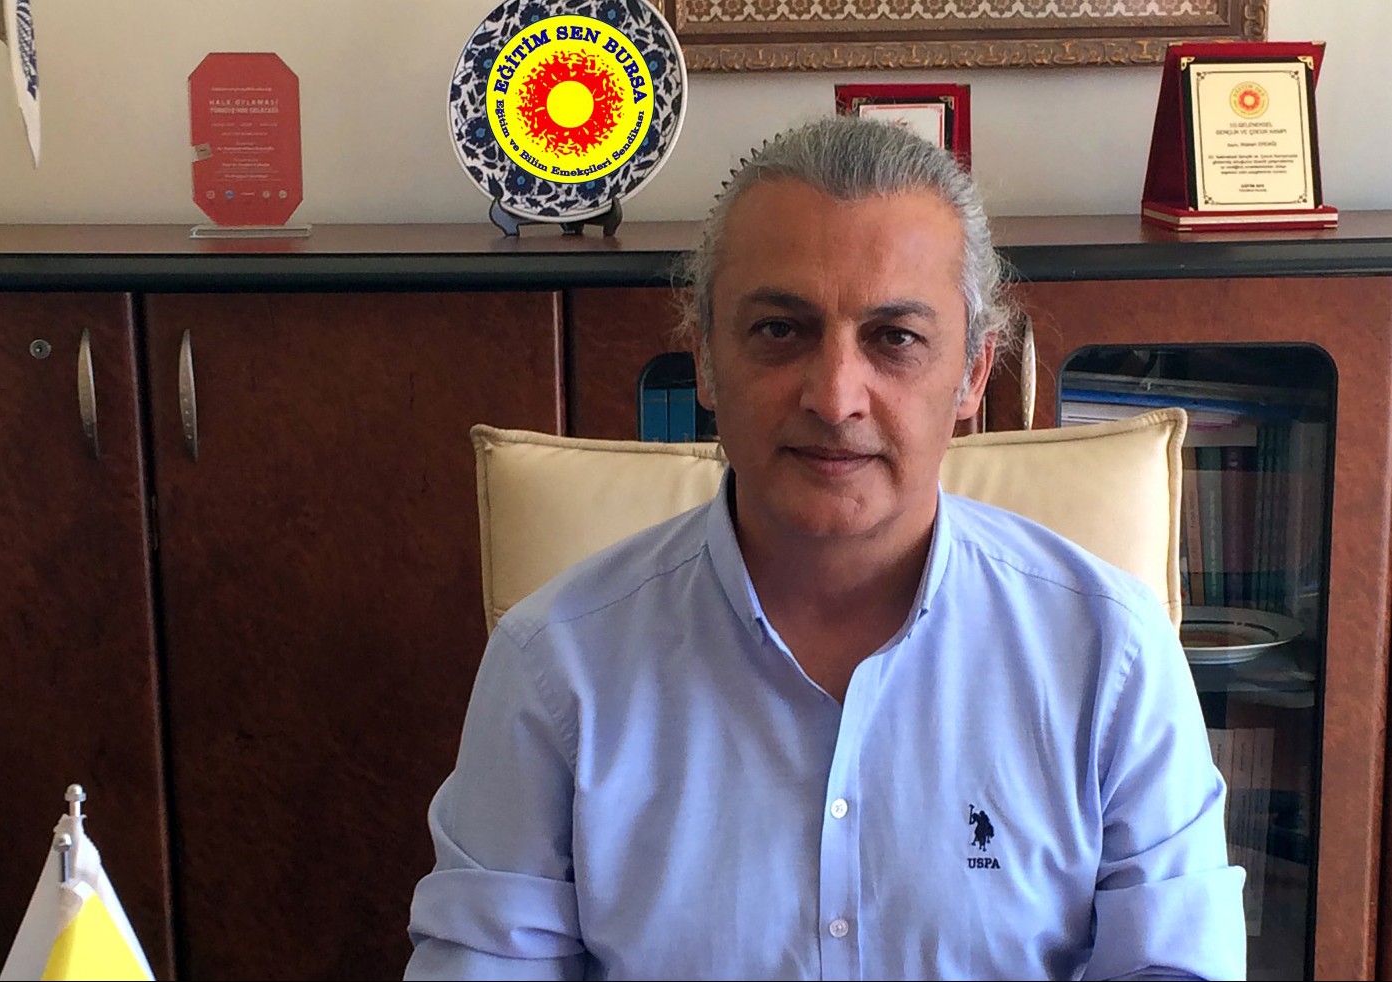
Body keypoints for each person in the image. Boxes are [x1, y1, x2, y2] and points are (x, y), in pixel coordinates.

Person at [404, 116, 1246, 980]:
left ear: (971, 373)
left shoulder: (1110, 651)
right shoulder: (556, 664)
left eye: (895, 338)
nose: (835, 396)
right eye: (781, 330)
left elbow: (1174, 965)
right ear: (705, 360)